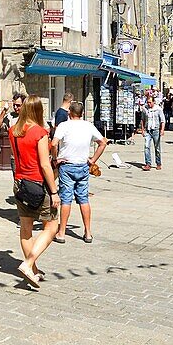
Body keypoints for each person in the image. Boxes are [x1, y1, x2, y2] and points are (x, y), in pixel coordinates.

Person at [9, 96, 61, 288]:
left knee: (25, 228)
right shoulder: (39, 132)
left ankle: (34, 270)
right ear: (38, 111)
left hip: (19, 183)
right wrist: (54, 192)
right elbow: (45, 165)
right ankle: (29, 263)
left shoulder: (13, 131)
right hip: (37, 184)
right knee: (52, 226)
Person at [52, 101, 106, 243]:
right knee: (83, 199)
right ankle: (88, 232)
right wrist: (93, 159)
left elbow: (53, 143)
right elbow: (103, 142)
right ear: (82, 113)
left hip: (67, 165)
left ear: (69, 112)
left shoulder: (64, 126)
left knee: (66, 199)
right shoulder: (88, 126)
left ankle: (62, 233)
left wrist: (55, 158)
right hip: (82, 165)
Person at [143, 93, 165, 170]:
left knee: (157, 148)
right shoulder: (145, 109)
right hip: (148, 130)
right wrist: (143, 130)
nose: (149, 104)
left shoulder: (158, 109)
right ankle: (148, 163)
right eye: (147, 102)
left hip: (156, 130)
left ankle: (158, 163)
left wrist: (162, 130)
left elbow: (162, 120)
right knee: (146, 147)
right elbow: (143, 120)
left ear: (153, 102)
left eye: (150, 102)